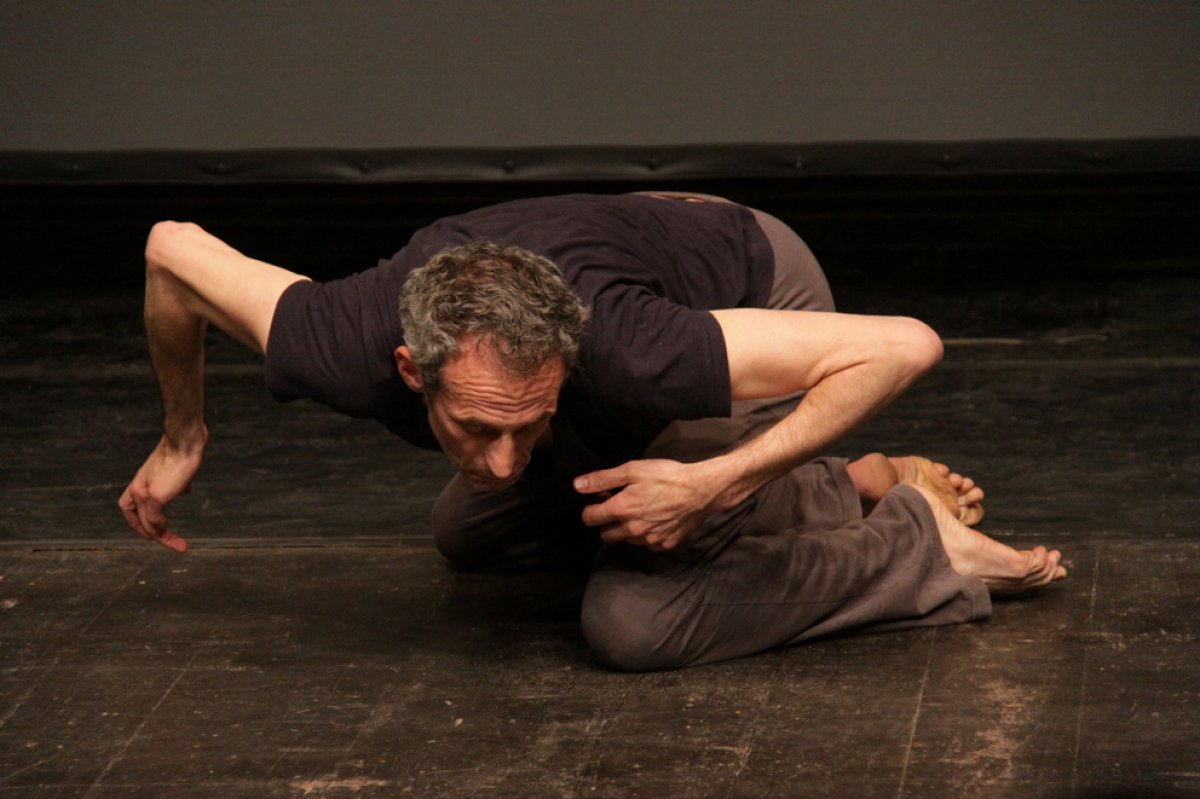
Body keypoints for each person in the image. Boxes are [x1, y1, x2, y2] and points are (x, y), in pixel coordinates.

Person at [119, 192, 1066, 671]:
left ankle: (915, 545)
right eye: (477, 427)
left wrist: (712, 482)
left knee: (633, 622)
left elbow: (903, 346)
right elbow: (172, 251)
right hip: (635, 272)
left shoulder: (633, 348)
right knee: (466, 529)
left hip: (753, 283)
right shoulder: (342, 335)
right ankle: (842, 486)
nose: (503, 461)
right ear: (411, 370)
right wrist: (182, 435)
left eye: (529, 424)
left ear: (566, 371)